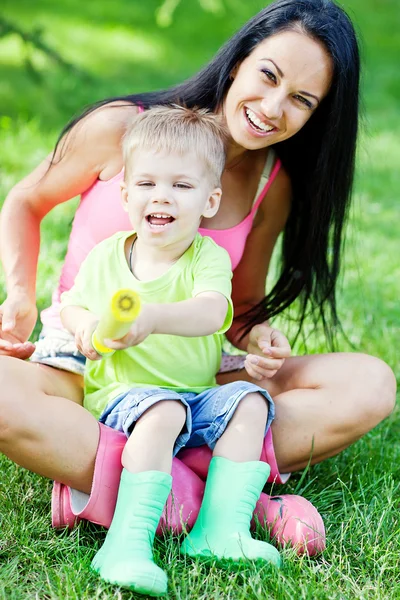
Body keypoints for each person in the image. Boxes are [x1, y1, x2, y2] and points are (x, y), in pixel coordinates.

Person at [0, 0, 395, 547]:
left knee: (369, 384)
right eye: (268, 75)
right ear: (238, 60)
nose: (272, 107)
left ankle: (128, 480)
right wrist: (19, 297)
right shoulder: (125, 129)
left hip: (193, 376)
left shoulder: (270, 184)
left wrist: (257, 336)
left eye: (301, 100)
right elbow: (25, 202)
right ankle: (220, 493)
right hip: (86, 363)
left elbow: (241, 305)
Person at [60, 104, 281, 595]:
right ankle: (125, 545)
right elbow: (72, 305)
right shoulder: (107, 257)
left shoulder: (208, 257)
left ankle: (220, 530)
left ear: (209, 200)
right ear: (125, 193)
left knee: (249, 401)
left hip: (195, 395)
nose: (162, 197)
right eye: (147, 184)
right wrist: (86, 329)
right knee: (161, 412)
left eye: (182, 186)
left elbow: (210, 311)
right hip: (125, 394)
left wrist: (153, 317)